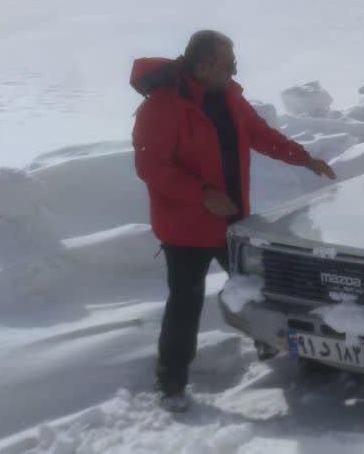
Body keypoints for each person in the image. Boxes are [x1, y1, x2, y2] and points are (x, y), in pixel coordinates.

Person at [130, 30, 336, 412]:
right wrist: (203, 195)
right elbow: (152, 167)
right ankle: (171, 382)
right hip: (185, 228)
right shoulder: (161, 106)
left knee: (261, 286)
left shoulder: (229, 98)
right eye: (228, 64)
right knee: (185, 303)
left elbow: (262, 135)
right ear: (204, 65)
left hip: (232, 219)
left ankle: (273, 344)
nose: (235, 71)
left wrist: (304, 158)